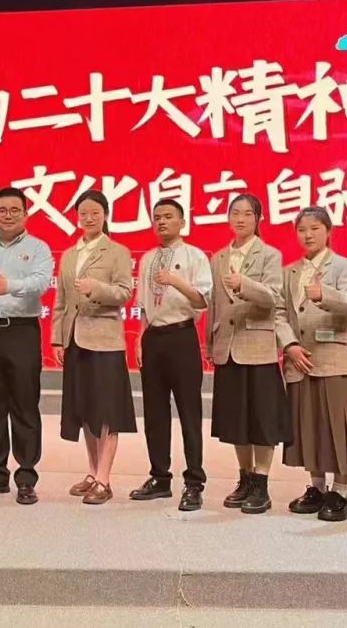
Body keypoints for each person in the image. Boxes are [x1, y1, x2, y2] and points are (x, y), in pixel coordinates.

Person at [276, 206, 347, 522]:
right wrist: (289, 345)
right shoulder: (289, 272)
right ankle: (316, 487)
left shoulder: (342, 266)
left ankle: (340, 492)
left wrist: (323, 295)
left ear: (328, 231)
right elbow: (279, 313)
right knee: (309, 425)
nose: (308, 235)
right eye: (302, 229)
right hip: (300, 360)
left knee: (339, 426)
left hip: (333, 359)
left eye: (315, 228)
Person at [0, 187, 54, 506]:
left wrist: (9, 286)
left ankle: (26, 477)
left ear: (26, 214)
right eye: (2, 210)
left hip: (22, 332)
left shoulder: (38, 248)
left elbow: (41, 283)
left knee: (25, 406)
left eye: (15, 210)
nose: (8, 215)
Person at [52, 189, 135, 506]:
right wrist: (57, 339)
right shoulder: (69, 255)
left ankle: (104, 479)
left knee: (106, 411)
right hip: (75, 339)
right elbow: (61, 301)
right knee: (84, 409)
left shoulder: (117, 251)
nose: (88, 218)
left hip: (105, 341)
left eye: (95, 213)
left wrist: (95, 288)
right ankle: (92, 471)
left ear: (105, 216)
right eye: (83, 213)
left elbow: (124, 292)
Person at [207, 193, 289, 515]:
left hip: (258, 347)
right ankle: (244, 478)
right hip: (227, 347)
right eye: (235, 213)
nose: (240, 219)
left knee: (262, 419)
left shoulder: (269, 255)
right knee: (236, 420)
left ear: (258, 219)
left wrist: (244, 284)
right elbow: (214, 305)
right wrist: (210, 344)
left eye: (247, 214)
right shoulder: (218, 257)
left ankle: (262, 483)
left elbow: (273, 297)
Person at [130, 199, 211, 511]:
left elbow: (202, 300)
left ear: (182, 222)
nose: (162, 222)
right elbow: (143, 306)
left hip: (182, 336)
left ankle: (194, 483)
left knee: (189, 412)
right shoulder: (148, 258)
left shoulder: (194, 256)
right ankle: (160, 478)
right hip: (153, 338)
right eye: (157, 217)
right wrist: (140, 339)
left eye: (168, 216)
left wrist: (175, 280)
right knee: (154, 412)